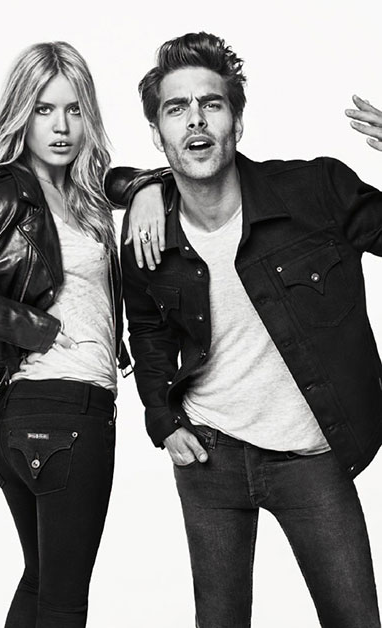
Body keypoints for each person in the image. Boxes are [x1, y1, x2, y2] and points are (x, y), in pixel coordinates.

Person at [121, 32, 382, 628]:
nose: (195, 119)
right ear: (158, 134)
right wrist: (163, 421)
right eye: (176, 108)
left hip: (310, 455)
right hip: (208, 457)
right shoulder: (148, 235)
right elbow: (148, 330)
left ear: (236, 121)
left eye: (211, 104)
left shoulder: (316, 191)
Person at [0, 41, 162, 628]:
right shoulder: (2, 193)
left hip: (29, 421)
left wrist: (147, 186)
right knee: (64, 603)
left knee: (41, 584)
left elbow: (119, 179)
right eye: (44, 109)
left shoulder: (85, 194)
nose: (61, 126)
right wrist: (30, 327)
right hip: (64, 413)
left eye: (74, 110)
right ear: (20, 114)